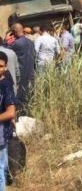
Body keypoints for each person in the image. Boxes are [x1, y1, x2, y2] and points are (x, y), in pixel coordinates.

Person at [7, 23, 34, 110]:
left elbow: (5, 52)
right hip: (31, 71)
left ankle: (21, 112)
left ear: (14, 32)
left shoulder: (15, 44)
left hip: (21, 73)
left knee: (20, 97)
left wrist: (5, 39)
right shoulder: (30, 42)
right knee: (29, 95)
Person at [0, 51, 17, 190]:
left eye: (0, 66)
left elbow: (11, 110)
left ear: (5, 67)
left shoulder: (5, 83)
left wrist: (12, 118)